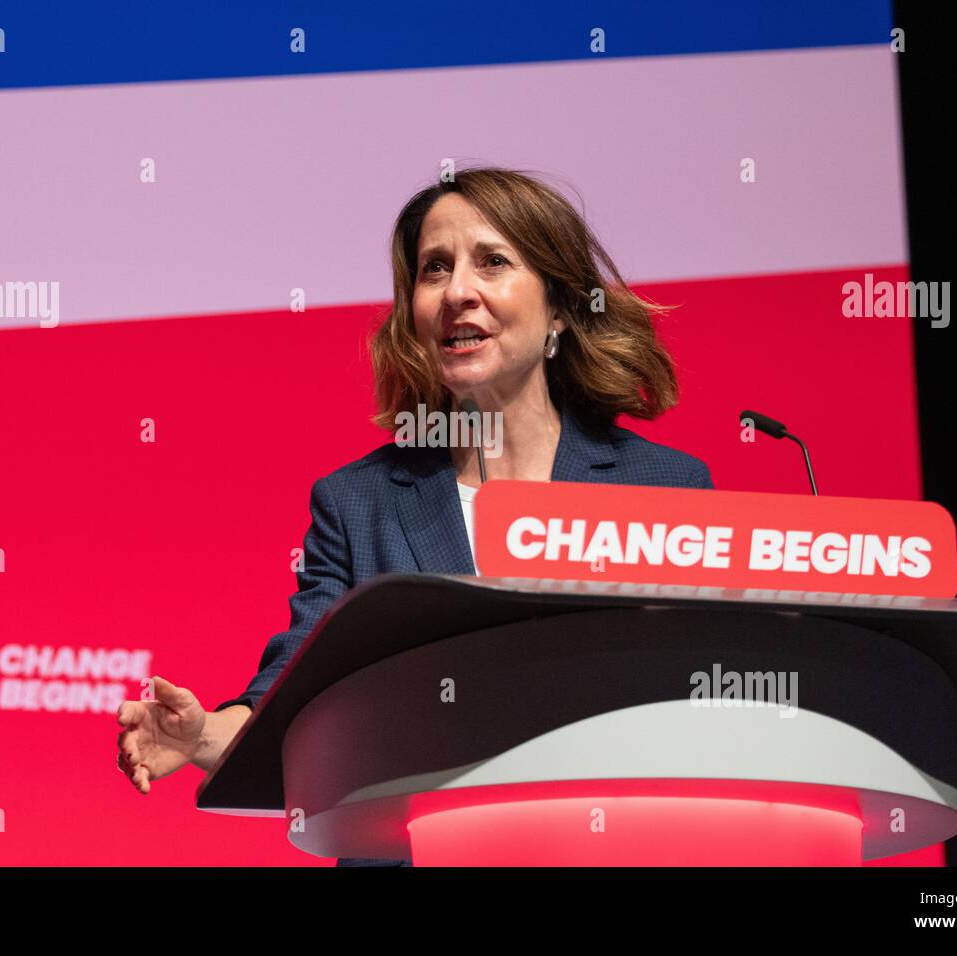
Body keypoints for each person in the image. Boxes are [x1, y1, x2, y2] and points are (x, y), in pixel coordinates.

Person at [116, 167, 713, 866]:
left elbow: (701, 704)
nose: (458, 291)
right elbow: (298, 693)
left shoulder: (666, 488)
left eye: (492, 262)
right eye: (435, 269)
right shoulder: (357, 503)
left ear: (558, 306)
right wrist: (206, 736)